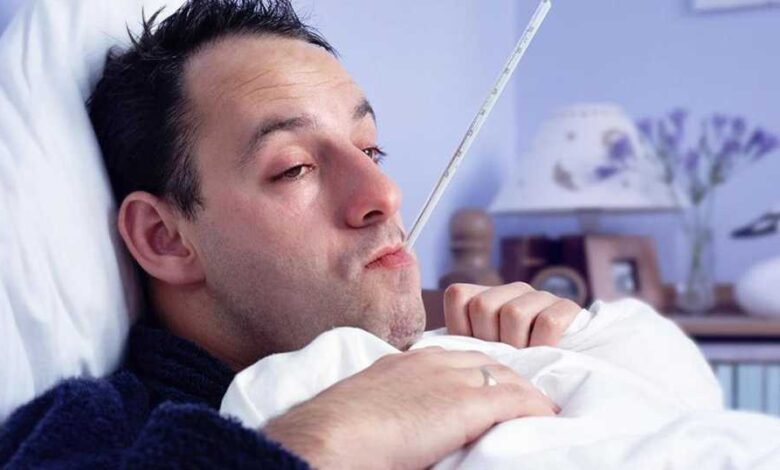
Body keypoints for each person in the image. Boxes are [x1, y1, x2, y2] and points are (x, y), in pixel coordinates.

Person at [0, 0, 598, 468]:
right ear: (165, 238)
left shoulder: (490, 346)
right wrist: (323, 439)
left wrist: (554, 352)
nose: (384, 194)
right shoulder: (88, 430)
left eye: (371, 150)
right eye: (295, 168)